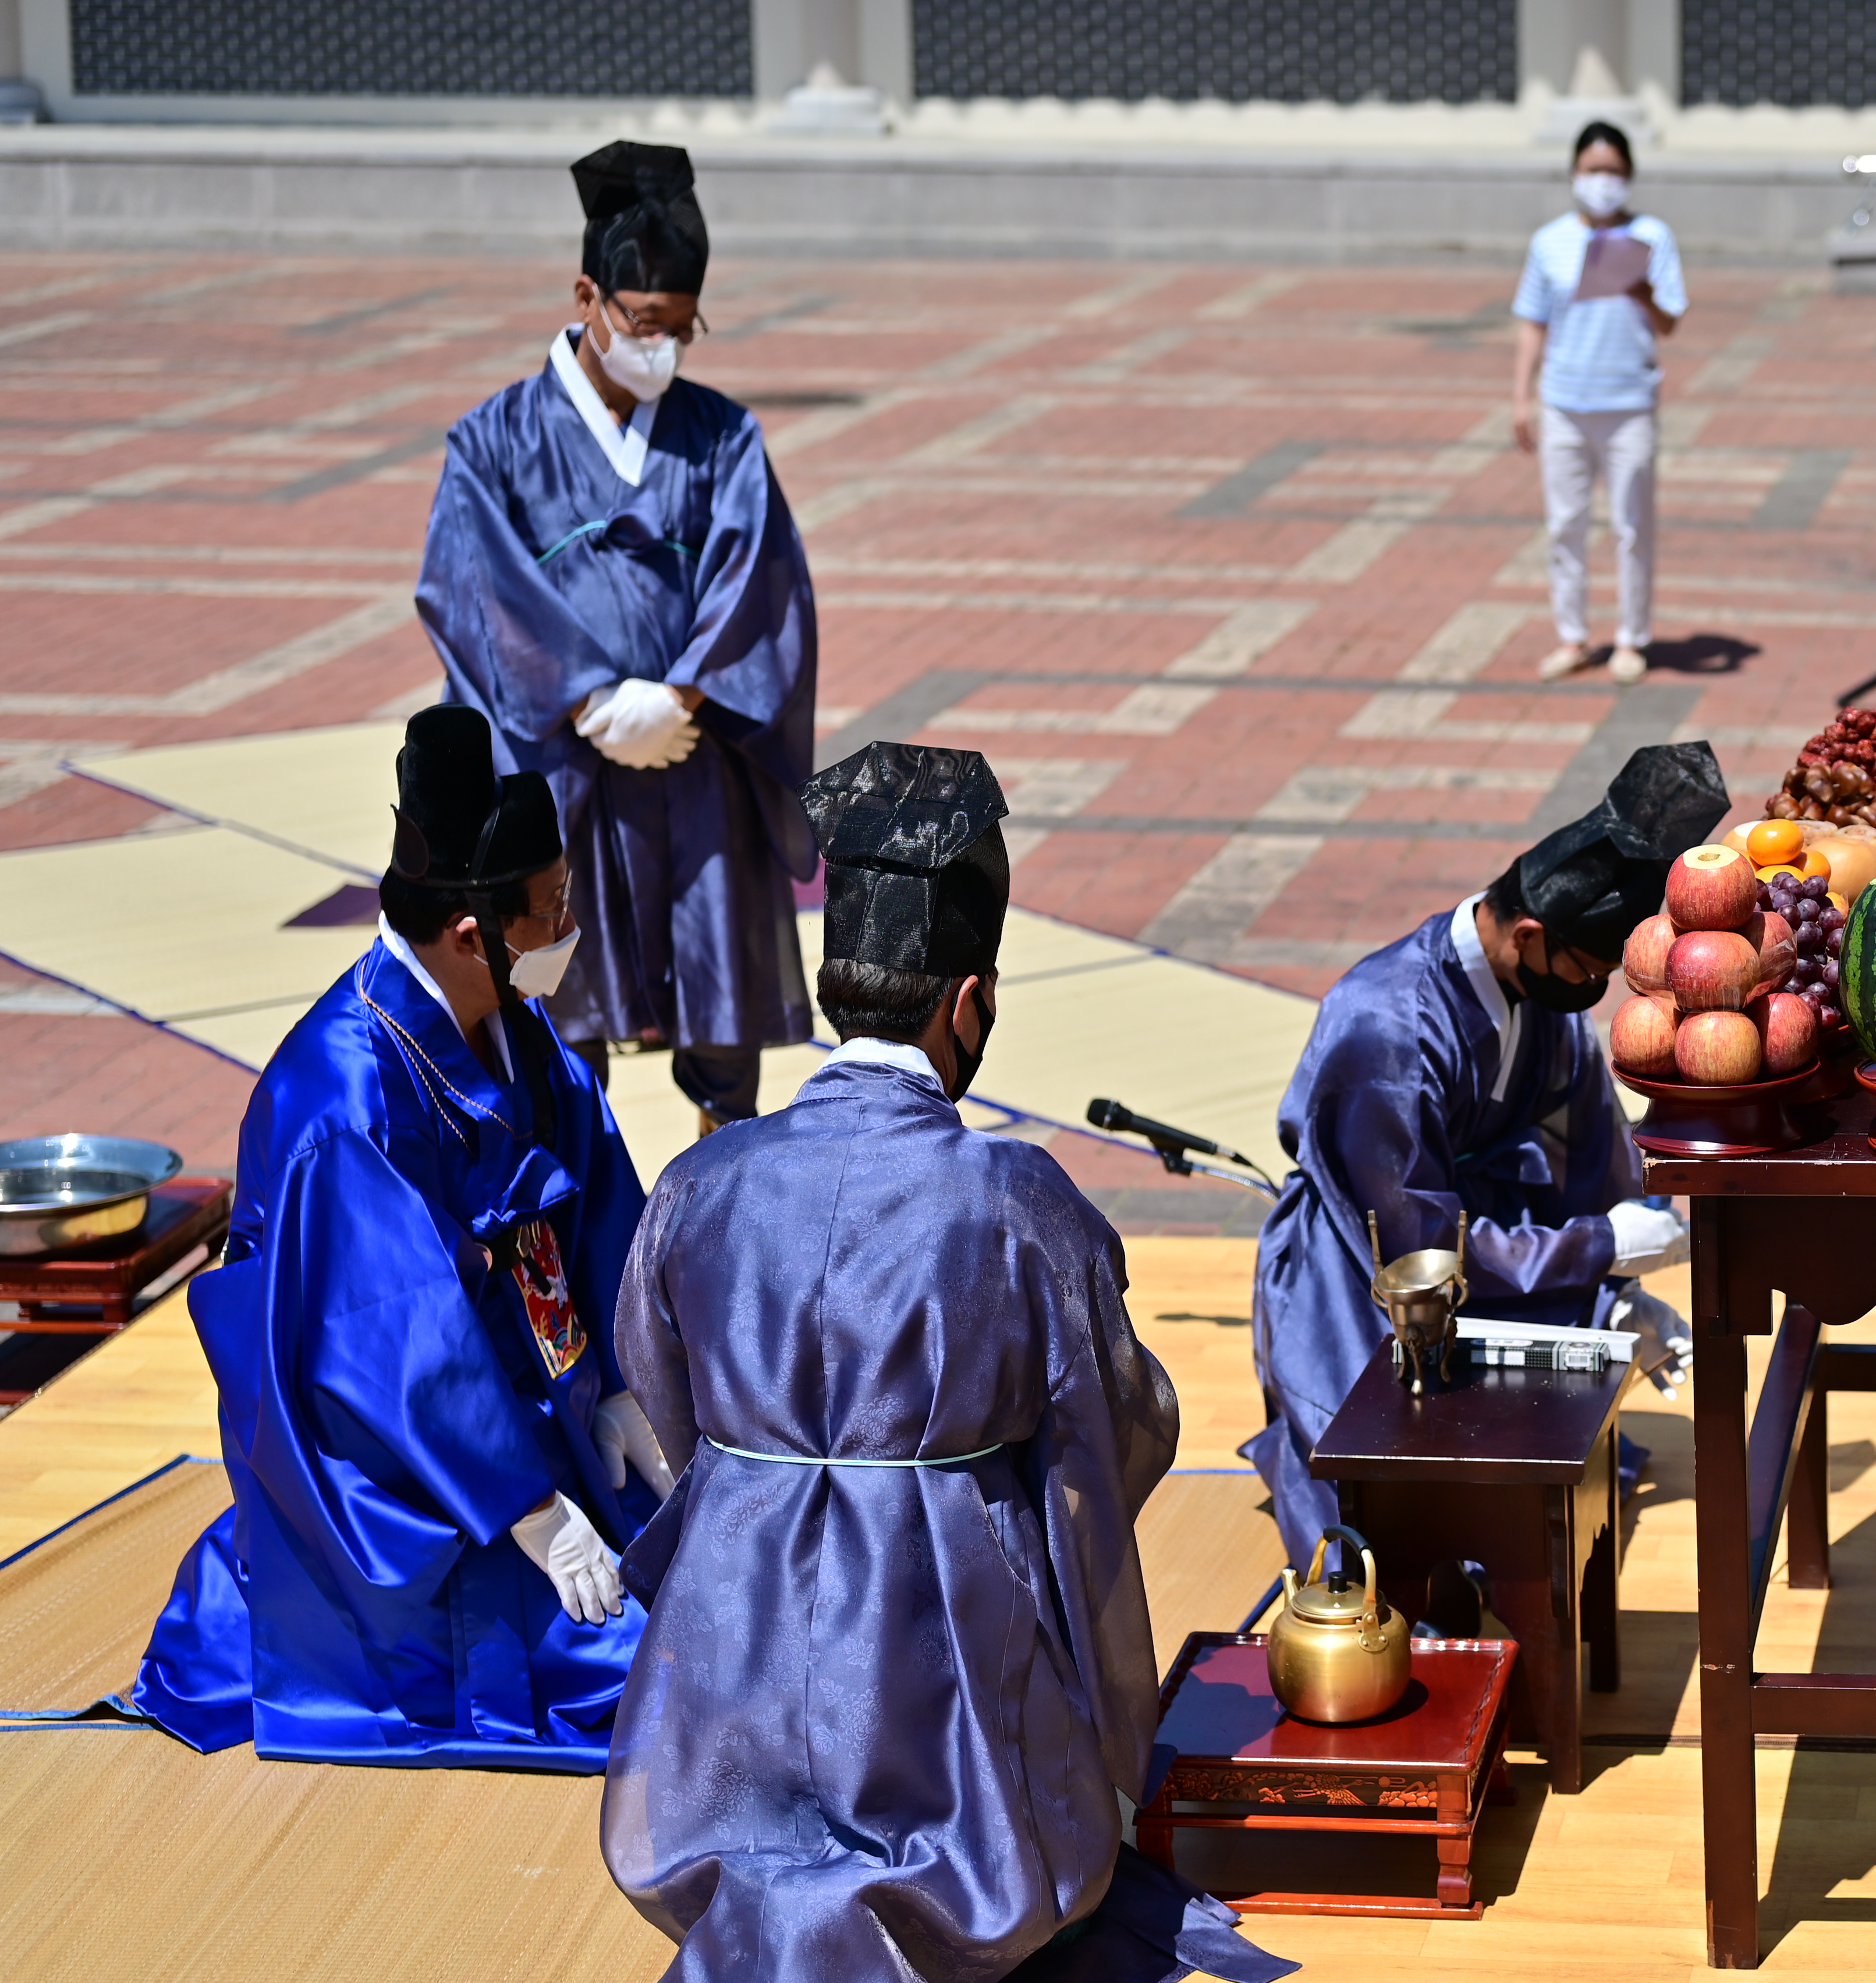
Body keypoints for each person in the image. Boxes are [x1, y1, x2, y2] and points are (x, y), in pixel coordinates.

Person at [600, 743, 1292, 1983]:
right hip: (937, 1657)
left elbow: (659, 1386)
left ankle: (754, 1881)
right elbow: (1115, 1423)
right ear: (967, 1003)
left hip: (733, 1645)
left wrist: (770, 1479)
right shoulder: (1014, 1197)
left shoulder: (703, 1179)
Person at [130, 704, 668, 1768]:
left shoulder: (511, 1023)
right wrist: (530, 1508)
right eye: (553, 910)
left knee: (719, 1562)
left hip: (530, 1400)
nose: (568, 929)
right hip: (403, 1459)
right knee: (656, 1671)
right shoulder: (345, 1099)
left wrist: (621, 1381)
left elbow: (598, 1193)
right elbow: (392, 1334)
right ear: (472, 934)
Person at [419, 140, 817, 1135]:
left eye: (683, 329)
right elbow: (473, 585)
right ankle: (575, 1208)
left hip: (691, 749)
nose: (664, 349)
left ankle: (722, 1193)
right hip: (562, 761)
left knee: (721, 1017)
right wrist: (591, 696)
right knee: (559, 1007)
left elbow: (760, 574)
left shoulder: (723, 435)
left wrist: (679, 696)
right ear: (588, 297)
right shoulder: (495, 440)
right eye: (646, 324)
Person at [1244, 743, 1722, 1567]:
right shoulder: (1386, 1027)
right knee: (1400, 1533)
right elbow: (1417, 1246)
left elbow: (1592, 1147)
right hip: (1369, 1269)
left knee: (1560, 1432)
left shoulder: (1542, 989)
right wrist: (1601, 1249)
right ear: (1529, 933)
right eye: (1588, 970)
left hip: (1489, 1234)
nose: (1593, 990)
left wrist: (1619, 1284)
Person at [1516, 120, 1689, 688]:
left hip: (1628, 403)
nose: (1601, 181)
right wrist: (1520, 397)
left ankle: (1631, 638)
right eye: (1592, 170)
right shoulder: (1549, 242)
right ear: (1573, 173)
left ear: (1630, 175)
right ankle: (1572, 637)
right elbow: (1533, 322)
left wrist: (1644, 294)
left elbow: (1669, 322)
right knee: (1565, 524)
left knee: (1632, 526)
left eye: (1613, 171)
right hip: (1564, 403)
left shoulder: (1651, 238)